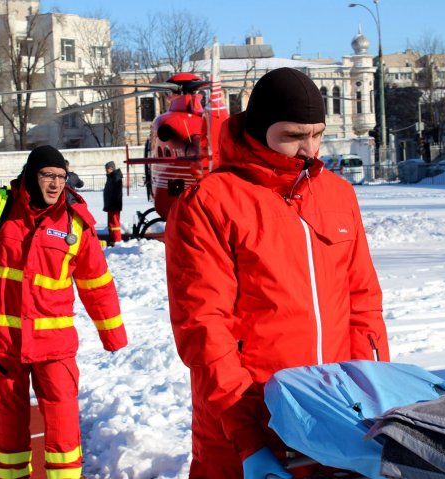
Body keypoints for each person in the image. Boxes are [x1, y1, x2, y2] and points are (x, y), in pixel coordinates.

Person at [165, 67, 390, 479]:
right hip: (248, 428)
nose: (309, 149)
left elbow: (363, 305)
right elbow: (204, 327)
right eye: (292, 136)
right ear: (258, 129)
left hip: (335, 421)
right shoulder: (211, 203)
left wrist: (371, 404)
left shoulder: (338, 196)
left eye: (317, 134)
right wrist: (248, 439)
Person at [0, 145, 127, 479]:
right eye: (47, 176)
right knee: (8, 425)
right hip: (1, 344)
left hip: (53, 346)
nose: (55, 184)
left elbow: (96, 282)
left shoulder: (76, 223)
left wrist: (112, 333)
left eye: (61, 177)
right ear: (30, 175)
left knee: (64, 428)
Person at [103, 160, 123, 244]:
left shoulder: (115, 176)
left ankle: (117, 240)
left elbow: (117, 191)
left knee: (114, 223)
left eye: (108, 169)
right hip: (110, 204)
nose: (106, 170)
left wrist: (116, 202)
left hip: (114, 204)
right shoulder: (110, 177)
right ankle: (112, 239)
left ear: (111, 168)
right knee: (111, 224)